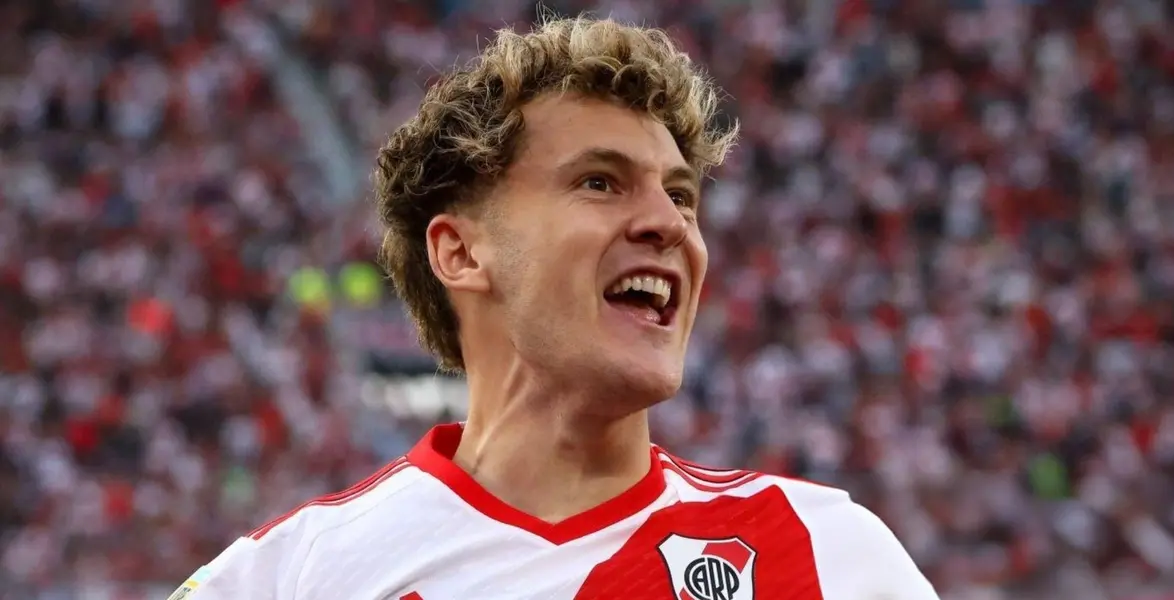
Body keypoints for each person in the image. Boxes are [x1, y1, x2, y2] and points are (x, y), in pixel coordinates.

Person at [171, 15, 939, 600]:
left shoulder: (829, 557)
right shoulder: (287, 577)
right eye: (599, 182)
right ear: (460, 253)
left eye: (681, 196)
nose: (670, 224)